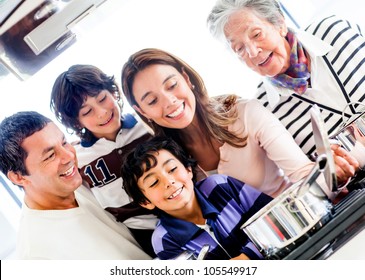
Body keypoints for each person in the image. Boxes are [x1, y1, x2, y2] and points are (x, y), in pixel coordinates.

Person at [121, 48, 332, 199]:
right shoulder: (164, 161)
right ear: (142, 111)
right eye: (152, 101)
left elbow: (304, 174)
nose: (169, 102)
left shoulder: (245, 113)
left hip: (298, 213)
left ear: (187, 79)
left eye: (172, 85)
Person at [206, 0, 361, 185]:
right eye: (239, 49)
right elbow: (314, 175)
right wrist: (331, 170)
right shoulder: (266, 109)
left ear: (279, 23)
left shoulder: (334, 32)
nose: (253, 52)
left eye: (256, 34)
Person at [0, 111, 151, 260]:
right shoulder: (38, 256)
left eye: (64, 142)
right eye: (50, 155)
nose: (70, 156)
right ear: (18, 177)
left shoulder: (79, 181)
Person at [50, 64, 157, 257]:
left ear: (113, 92)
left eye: (102, 99)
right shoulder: (77, 159)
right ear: (76, 122)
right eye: (87, 112)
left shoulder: (147, 124)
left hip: (186, 210)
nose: (101, 112)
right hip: (143, 239)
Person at [121, 136, 273, 260]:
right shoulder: (163, 240)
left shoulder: (221, 185)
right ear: (145, 202)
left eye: (172, 169)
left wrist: (247, 256)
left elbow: (272, 218)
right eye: (154, 182)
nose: (169, 182)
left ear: (188, 170)